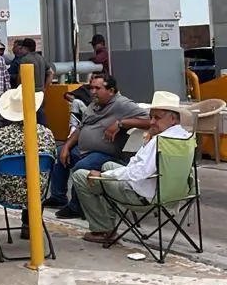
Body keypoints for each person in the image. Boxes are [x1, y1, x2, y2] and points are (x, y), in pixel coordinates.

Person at [74, 92, 191, 244]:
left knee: (81, 176)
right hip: (174, 193)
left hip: (143, 196)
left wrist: (104, 176)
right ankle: (107, 222)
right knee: (107, 165)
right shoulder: (185, 137)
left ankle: (103, 229)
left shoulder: (161, 142)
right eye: (151, 117)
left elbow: (138, 173)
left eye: (157, 118)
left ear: (173, 119)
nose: (152, 122)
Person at [50, 74, 147, 218]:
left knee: (81, 167)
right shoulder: (94, 104)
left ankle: (77, 207)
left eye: (97, 88)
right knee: (58, 154)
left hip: (106, 153)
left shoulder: (122, 104)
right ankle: (58, 197)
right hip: (84, 149)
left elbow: (149, 120)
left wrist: (121, 123)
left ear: (111, 90)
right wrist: (66, 146)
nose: (93, 92)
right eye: (91, 88)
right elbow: (81, 128)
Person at [0, 86, 55, 238]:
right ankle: (29, 225)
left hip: (3, 191)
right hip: (37, 192)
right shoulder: (47, 134)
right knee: (36, 176)